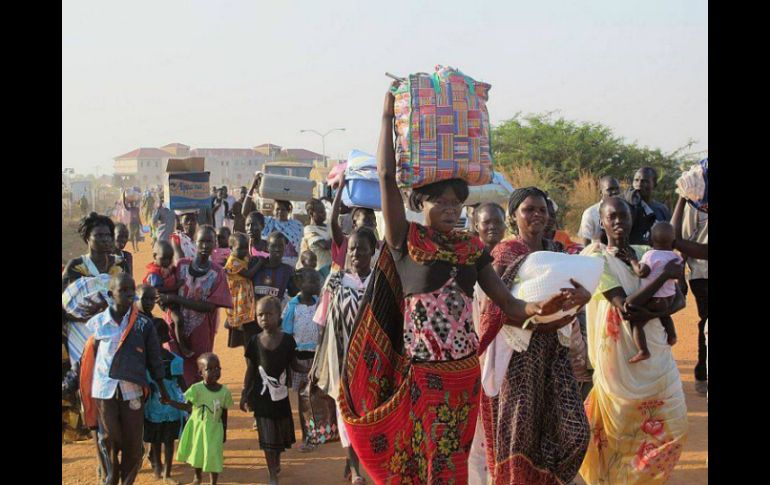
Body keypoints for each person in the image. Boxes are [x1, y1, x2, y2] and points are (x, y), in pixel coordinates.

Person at [337, 86, 580, 485]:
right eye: (441, 202)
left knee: (452, 463)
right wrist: (385, 115)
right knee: (425, 460)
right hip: (423, 374)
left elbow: (508, 303)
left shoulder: (470, 248)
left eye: (456, 203)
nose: (451, 209)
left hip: (463, 374)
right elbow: (385, 176)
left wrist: (539, 307)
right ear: (421, 203)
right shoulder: (407, 240)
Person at [477, 187, 592, 484]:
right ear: (514, 216)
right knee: (521, 433)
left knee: (575, 433)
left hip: (555, 352)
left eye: (542, 209)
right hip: (520, 357)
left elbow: (579, 291)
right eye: (529, 209)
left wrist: (584, 296)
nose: (537, 215)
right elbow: (497, 308)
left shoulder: (556, 251)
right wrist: (536, 323)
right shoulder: (504, 253)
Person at [579, 197, 688, 484]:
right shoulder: (595, 259)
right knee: (619, 432)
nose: (618, 221)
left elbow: (679, 298)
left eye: (623, 216)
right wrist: (663, 281)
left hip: (656, 353)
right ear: (601, 221)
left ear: (631, 219)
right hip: (618, 360)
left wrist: (653, 308)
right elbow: (623, 306)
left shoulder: (646, 252)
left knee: (676, 424)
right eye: (611, 216)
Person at [79, 273, 169, 485]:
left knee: (132, 441)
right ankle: (111, 472)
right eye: (123, 291)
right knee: (110, 436)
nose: (130, 295)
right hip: (104, 389)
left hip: (132, 390)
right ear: (111, 294)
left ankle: (127, 479)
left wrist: (162, 387)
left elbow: (154, 358)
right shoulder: (98, 324)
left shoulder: (143, 325)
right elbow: (87, 358)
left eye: (132, 291)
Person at [311, 227, 377, 484]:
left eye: (361, 247)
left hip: (373, 360)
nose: (356, 252)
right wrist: (317, 362)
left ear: (373, 250)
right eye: (352, 248)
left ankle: (361, 461)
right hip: (341, 359)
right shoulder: (336, 281)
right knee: (345, 412)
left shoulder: (381, 281)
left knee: (371, 412)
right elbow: (322, 324)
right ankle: (355, 468)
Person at [63, 213, 128, 445]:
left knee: (114, 381)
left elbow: (128, 296)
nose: (105, 240)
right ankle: (97, 434)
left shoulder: (120, 263)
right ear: (87, 238)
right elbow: (65, 303)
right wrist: (89, 311)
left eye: (107, 235)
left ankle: (114, 430)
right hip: (82, 333)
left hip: (113, 331)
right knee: (88, 382)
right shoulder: (76, 267)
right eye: (98, 235)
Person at [158, 226, 233, 385]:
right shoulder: (181, 265)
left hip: (201, 329)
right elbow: (162, 291)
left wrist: (175, 299)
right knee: (174, 367)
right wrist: (172, 312)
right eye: (202, 241)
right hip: (174, 327)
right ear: (194, 243)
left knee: (199, 370)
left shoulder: (217, 273)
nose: (205, 246)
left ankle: (197, 407)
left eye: (209, 241)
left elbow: (210, 307)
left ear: (215, 244)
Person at [242, 296, 303, 485]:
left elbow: (294, 365)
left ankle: (276, 462)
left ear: (279, 316)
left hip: (281, 397)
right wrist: (245, 394)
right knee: (267, 435)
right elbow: (251, 370)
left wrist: (312, 368)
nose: (264, 318)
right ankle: (272, 474)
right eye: (260, 314)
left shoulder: (287, 341)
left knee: (278, 434)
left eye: (269, 314)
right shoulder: (254, 341)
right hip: (261, 397)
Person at [468, 201, 506, 485]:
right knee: (476, 433)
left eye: (497, 221)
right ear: (475, 227)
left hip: (506, 358)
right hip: (474, 357)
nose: (492, 227)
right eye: (486, 222)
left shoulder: (515, 261)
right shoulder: (468, 265)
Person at [137, 286, 187, 485]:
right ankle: (158, 468)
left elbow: (182, 383)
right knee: (157, 440)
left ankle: (164, 471)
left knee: (166, 440)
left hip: (169, 408)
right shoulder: (146, 362)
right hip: (155, 408)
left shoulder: (173, 361)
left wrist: (188, 401)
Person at [166, 353, 232, 485]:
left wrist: (224, 429)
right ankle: (197, 477)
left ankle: (213, 481)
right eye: (209, 369)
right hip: (198, 428)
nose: (215, 372)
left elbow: (224, 411)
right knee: (198, 452)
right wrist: (170, 402)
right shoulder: (196, 389)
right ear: (200, 372)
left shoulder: (224, 391)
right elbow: (187, 407)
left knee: (214, 454)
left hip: (215, 428)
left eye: (217, 368)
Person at [625, 222, 681, 363]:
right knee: (665, 315)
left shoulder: (650, 255)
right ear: (673, 241)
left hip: (655, 298)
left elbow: (642, 272)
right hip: (670, 297)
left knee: (637, 324)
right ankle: (672, 336)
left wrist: (632, 261)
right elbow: (677, 274)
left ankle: (643, 351)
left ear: (650, 240)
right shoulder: (675, 257)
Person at [672, 195, 708, 395]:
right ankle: (702, 372)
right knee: (707, 321)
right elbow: (681, 240)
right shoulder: (697, 203)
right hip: (703, 273)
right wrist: (680, 278)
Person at [282, 268, 322, 453]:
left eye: (317, 281)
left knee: (317, 397)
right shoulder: (292, 306)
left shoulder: (319, 304)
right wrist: (291, 362)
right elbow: (287, 336)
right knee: (302, 399)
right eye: (312, 281)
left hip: (317, 358)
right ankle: (306, 436)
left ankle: (320, 433)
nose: (316, 285)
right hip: (299, 359)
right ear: (300, 284)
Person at [143, 241, 193, 358]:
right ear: (155, 256)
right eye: (164, 258)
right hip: (164, 300)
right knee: (178, 319)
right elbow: (157, 289)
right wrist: (175, 287)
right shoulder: (154, 273)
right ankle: (183, 347)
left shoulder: (165, 266)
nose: (167, 261)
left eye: (170, 258)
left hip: (172, 297)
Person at [329, 174, 381, 272]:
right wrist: (340, 188)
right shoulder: (345, 242)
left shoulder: (379, 246)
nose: (372, 224)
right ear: (354, 224)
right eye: (367, 220)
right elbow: (333, 222)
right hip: (346, 285)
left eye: (374, 221)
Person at [224, 232, 261, 350]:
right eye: (240, 248)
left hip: (245, 294)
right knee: (243, 323)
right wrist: (260, 262)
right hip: (238, 295)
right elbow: (249, 274)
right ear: (231, 248)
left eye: (246, 248)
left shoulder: (242, 257)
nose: (244, 251)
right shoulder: (232, 261)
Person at [625, 167, 671, 244]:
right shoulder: (627, 206)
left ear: (654, 184)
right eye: (636, 180)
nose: (639, 184)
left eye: (644, 181)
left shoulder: (662, 209)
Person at [252, 232, 299, 306]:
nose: (277, 249)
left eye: (281, 246)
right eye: (273, 246)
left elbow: (293, 293)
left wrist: (298, 280)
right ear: (267, 247)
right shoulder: (256, 265)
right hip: (253, 313)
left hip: (275, 314)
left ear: (285, 247)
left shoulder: (287, 270)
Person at [578, 176, 621, 246]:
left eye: (617, 189)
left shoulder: (626, 210)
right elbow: (585, 244)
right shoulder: (590, 214)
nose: (615, 192)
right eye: (610, 189)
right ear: (601, 192)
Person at [262, 200, 304, 267]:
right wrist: (251, 191)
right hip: (271, 262)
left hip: (291, 263)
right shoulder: (268, 222)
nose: (280, 212)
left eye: (283, 209)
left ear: (288, 211)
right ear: (273, 211)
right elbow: (246, 213)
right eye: (277, 209)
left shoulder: (296, 225)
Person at [299, 198, 332, 274]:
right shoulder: (309, 229)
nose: (324, 213)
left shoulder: (328, 226)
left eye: (324, 210)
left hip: (332, 268)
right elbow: (325, 245)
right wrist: (337, 240)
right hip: (319, 270)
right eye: (320, 211)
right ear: (311, 213)